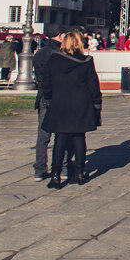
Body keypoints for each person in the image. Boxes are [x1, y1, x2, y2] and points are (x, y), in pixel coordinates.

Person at [39, 32, 102, 189]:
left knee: (60, 139)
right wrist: (96, 102)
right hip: (81, 104)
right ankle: (80, 174)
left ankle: (55, 176)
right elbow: (93, 85)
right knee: (79, 138)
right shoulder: (87, 61)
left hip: (60, 103)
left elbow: (46, 82)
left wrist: (49, 98)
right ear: (79, 44)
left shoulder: (54, 59)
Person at [31, 33, 62, 181]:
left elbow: (38, 75)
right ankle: (62, 167)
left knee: (43, 135)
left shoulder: (40, 53)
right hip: (58, 95)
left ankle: (40, 169)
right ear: (60, 36)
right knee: (61, 134)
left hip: (43, 95)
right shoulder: (59, 54)